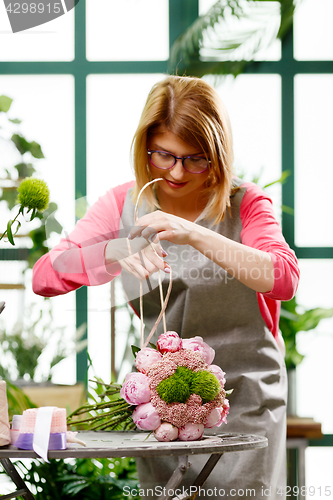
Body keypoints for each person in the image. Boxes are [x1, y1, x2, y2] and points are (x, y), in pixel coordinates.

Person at [33, 75, 299, 499]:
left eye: (196, 159)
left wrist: (193, 233)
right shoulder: (121, 205)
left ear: (218, 154)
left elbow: (283, 277)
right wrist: (115, 250)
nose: (177, 172)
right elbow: (45, 276)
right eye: (164, 156)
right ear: (145, 147)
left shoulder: (246, 203)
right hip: (164, 410)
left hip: (246, 403)